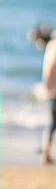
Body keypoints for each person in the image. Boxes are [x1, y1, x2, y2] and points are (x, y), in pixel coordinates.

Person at [41, 37, 56, 165]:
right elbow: (51, 67)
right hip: (54, 90)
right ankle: (46, 153)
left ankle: (46, 152)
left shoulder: (51, 44)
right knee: (53, 123)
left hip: (51, 88)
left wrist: (46, 85)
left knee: (52, 122)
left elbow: (47, 67)